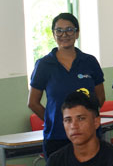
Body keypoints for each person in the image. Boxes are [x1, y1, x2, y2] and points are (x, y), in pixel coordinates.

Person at [28, 12, 106, 157]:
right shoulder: (44, 65)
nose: (64, 34)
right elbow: (33, 102)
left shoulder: (90, 62)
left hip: (89, 136)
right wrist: (54, 119)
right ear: (53, 34)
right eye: (59, 30)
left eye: (70, 29)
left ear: (77, 34)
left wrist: (85, 120)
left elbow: (100, 98)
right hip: (56, 137)